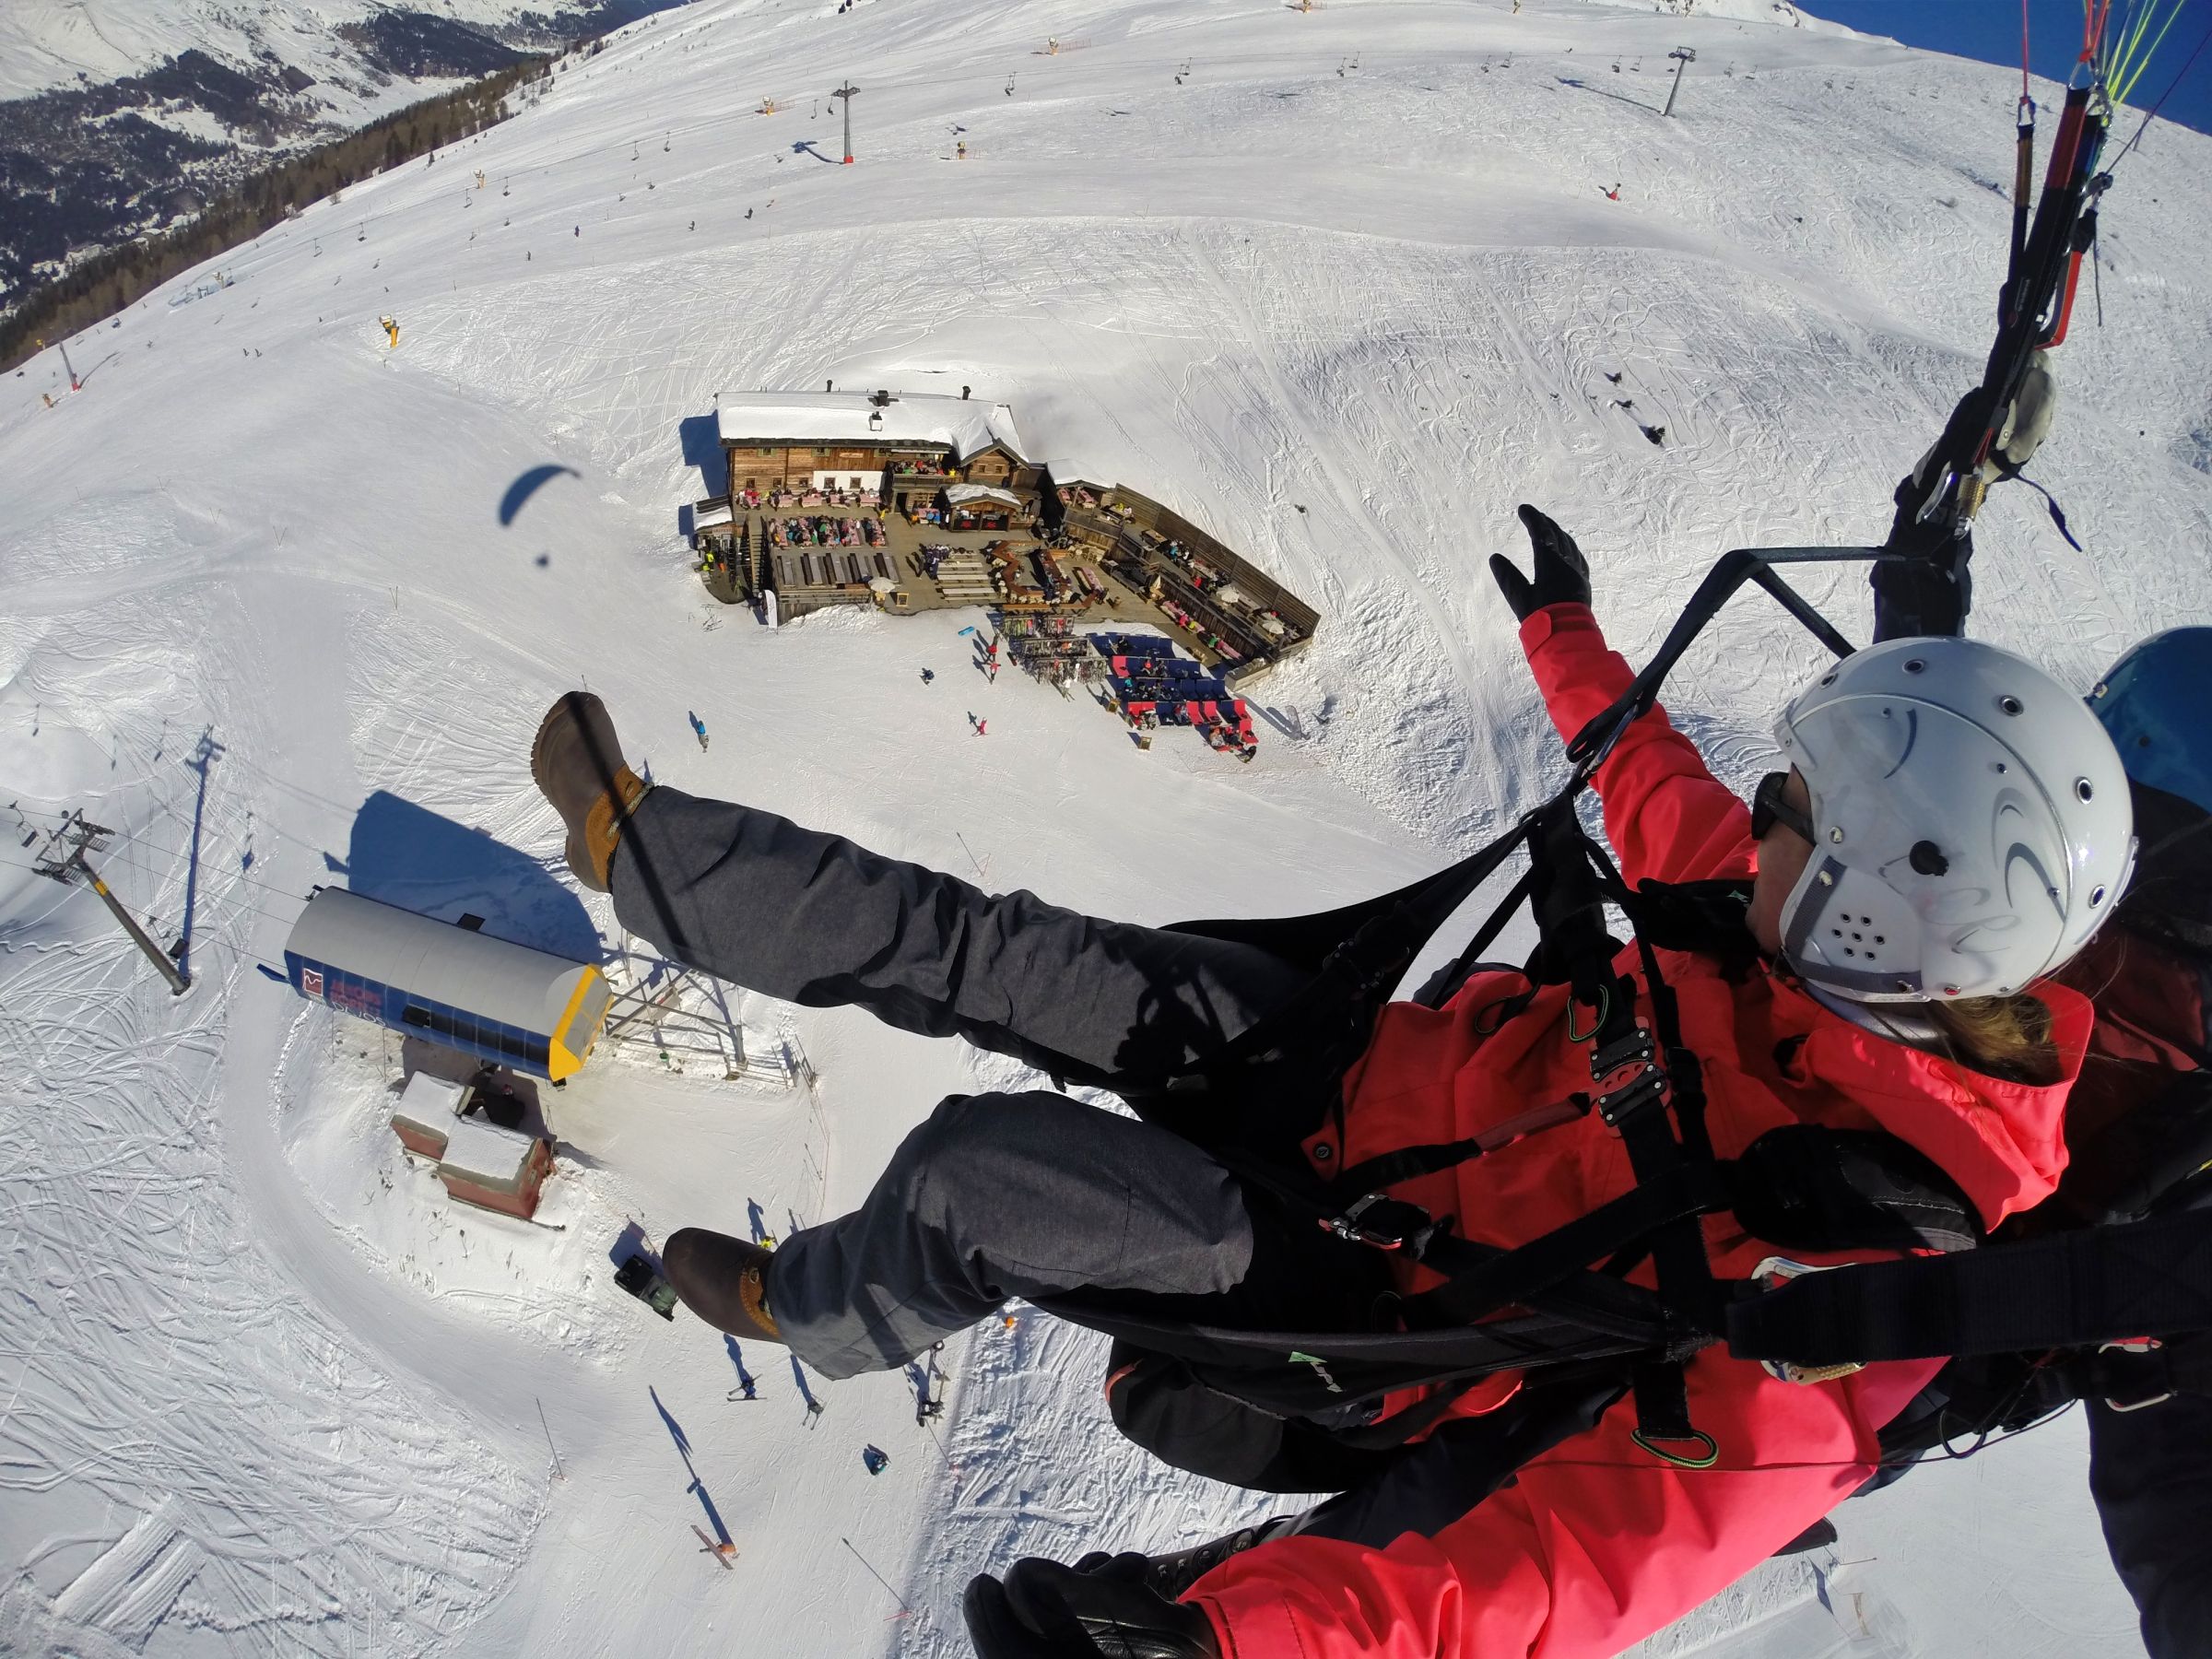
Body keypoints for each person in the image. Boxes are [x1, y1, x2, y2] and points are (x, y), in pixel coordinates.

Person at [529, 506, 2134, 1659]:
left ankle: (804, 1309)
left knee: (972, 1174)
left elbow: (1556, 1573)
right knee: (1016, 953)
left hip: (1368, 1291)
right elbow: (1658, 782)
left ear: (1870, 905)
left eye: (1799, 802)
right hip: (1368, 1065)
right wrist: (1564, 635)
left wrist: (1232, 1643)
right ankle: (665, 865)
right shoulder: (1792, 924)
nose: (1766, 801)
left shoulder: (1865, 1285)